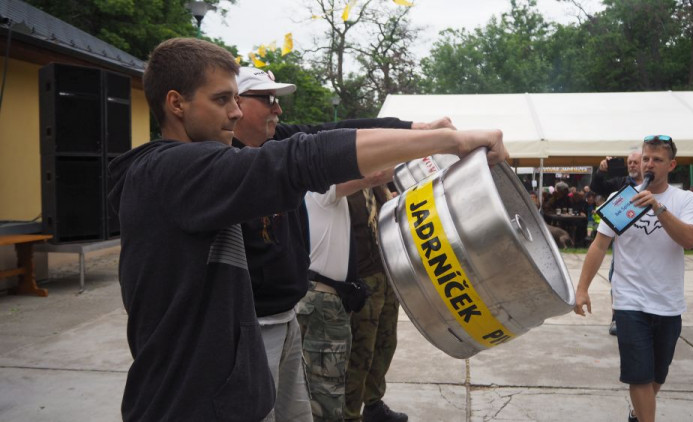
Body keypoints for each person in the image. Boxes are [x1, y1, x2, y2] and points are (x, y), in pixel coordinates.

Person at [108, 37, 508, 422]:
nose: (234, 112)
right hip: (186, 403)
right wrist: (449, 141)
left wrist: (415, 128)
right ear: (176, 103)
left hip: (232, 388)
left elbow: (316, 135)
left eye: (235, 98)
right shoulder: (169, 172)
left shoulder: (205, 161)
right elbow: (301, 158)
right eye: (221, 99)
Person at [230, 66, 453, 422]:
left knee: (315, 401)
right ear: (235, 103)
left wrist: (416, 129)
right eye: (267, 99)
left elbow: (335, 131)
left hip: (288, 312)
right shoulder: (236, 162)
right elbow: (366, 167)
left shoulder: (277, 148)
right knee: (319, 398)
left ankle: (371, 405)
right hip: (269, 318)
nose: (278, 109)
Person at [575, 135, 693, 422]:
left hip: (668, 303)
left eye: (657, 160)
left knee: (657, 376)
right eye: (646, 159)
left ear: (671, 165)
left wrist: (658, 207)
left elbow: (690, 240)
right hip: (629, 301)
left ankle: (636, 412)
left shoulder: (685, 199)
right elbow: (598, 245)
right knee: (639, 375)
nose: (649, 164)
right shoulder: (619, 201)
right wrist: (582, 289)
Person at [297, 170, 390, 421]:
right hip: (337, 291)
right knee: (342, 372)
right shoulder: (326, 183)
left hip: (366, 279)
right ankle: (351, 415)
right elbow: (374, 175)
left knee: (377, 349)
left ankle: (366, 406)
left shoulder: (353, 187)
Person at [345, 183, 407, 422]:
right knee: (361, 352)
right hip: (363, 277)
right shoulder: (345, 185)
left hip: (386, 271)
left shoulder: (378, 187)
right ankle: (350, 414)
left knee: (386, 343)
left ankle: (372, 403)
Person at [591, 151, 644, 334]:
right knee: (617, 280)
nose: (632, 165)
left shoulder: (653, 186)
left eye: (635, 162)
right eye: (629, 162)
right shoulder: (621, 184)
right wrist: (600, 171)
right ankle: (616, 318)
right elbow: (596, 187)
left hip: (647, 244)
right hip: (623, 244)